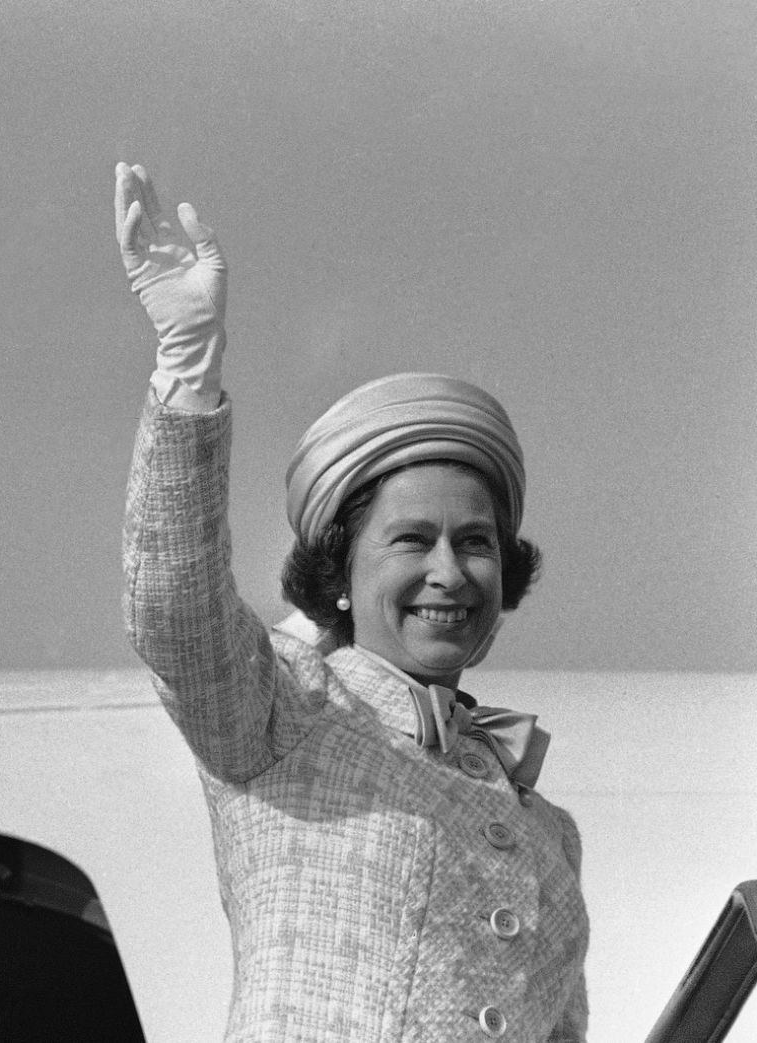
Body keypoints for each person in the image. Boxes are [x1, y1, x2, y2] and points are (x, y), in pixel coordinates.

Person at [115, 162, 588, 1042]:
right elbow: (173, 610)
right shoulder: (282, 711)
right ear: (337, 568)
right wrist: (188, 371)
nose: (449, 571)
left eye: (475, 542)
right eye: (412, 540)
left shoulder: (547, 832)